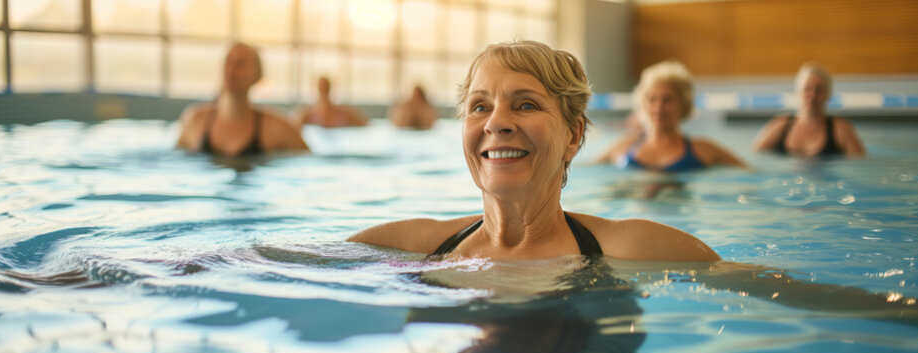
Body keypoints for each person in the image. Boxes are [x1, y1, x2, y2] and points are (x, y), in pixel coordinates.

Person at [347, 41, 720, 262]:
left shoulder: (633, 249)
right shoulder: (409, 248)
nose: (496, 123)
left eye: (525, 105)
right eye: (480, 107)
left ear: (573, 137)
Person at [596, 60, 745, 171]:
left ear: (683, 104)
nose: (659, 107)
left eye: (667, 100)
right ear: (642, 102)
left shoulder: (704, 150)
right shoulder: (624, 147)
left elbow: (751, 175)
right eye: (652, 99)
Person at [176, 43, 309, 156]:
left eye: (241, 63)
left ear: (257, 75)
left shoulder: (277, 128)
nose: (231, 69)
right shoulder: (195, 121)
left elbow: (310, 165)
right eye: (228, 61)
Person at [752, 62, 866, 157]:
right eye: (807, 88)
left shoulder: (841, 130)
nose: (812, 95)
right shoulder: (780, 126)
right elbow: (755, 159)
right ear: (798, 92)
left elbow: (860, 166)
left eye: (819, 90)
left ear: (828, 94)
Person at [296, 77, 369, 128]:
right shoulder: (307, 114)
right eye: (322, 87)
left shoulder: (344, 113)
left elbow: (364, 123)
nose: (324, 89)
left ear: (329, 88)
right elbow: (295, 125)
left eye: (325, 87)